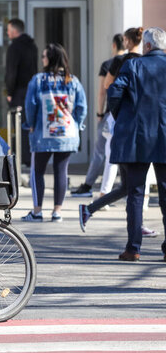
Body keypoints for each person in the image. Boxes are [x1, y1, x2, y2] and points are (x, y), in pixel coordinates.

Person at [79, 28, 157, 238]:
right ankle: (133, 227)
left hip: (124, 127)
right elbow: (111, 89)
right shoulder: (137, 63)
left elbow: (108, 88)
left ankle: (91, 210)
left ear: (126, 40)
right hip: (130, 129)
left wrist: (109, 113)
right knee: (133, 186)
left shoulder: (126, 62)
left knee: (129, 187)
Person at [106, 27, 166, 261]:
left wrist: (123, 117)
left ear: (148, 46)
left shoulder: (133, 65)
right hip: (163, 136)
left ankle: (133, 248)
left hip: (137, 137)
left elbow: (114, 93)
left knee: (136, 194)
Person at [21, 43, 87, 223]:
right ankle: (57, 211)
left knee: (37, 172)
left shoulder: (38, 80)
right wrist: (77, 125)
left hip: (43, 134)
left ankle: (37, 211)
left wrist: (31, 124)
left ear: (49, 59)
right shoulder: (72, 80)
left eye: (44, 56)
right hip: (66, 134)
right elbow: (82, 107)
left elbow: (31, 104)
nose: (42, 59)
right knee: (61, 172)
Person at [71, 34, 125, 197]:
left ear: (114, 45)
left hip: (111, 113)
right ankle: (125, 187)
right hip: (129, 114)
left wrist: (99, 113)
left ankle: (89, 185)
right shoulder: (134, 61)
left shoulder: (110, 64)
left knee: (101, 151)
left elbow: (103, 91)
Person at [5, 18, 38, 167]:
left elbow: (11, 71)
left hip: (19, 91)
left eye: (8, 29)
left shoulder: (14, 47)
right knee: (29, 124)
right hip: (32, 90)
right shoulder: (32, 46)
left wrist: (10, 91)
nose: (7, 32)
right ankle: (30, 156)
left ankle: (23, 158)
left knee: (19, 125)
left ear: (13, 30)